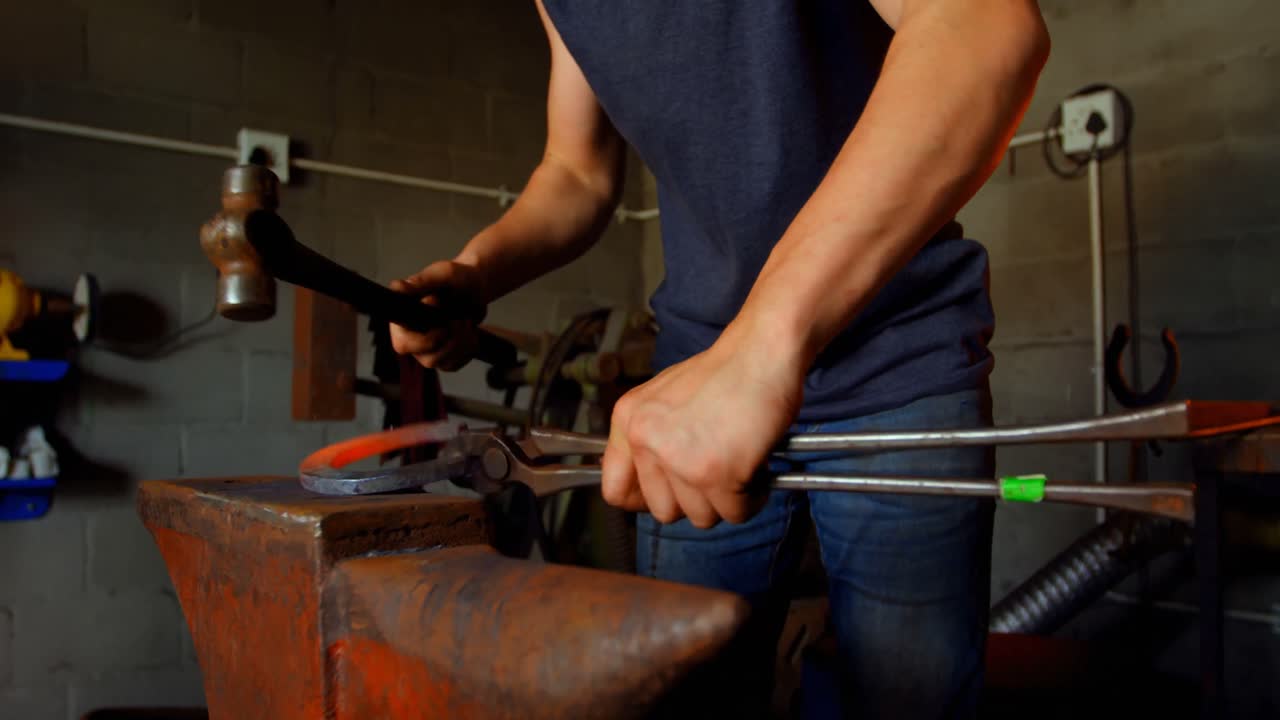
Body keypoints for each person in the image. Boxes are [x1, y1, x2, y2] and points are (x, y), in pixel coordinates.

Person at [391, 1, 1049, 716]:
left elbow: (982, 28)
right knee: (684, 699)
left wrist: (761, 347)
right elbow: (576, 173)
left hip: (897, 364)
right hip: (695, 402)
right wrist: (477, 271)